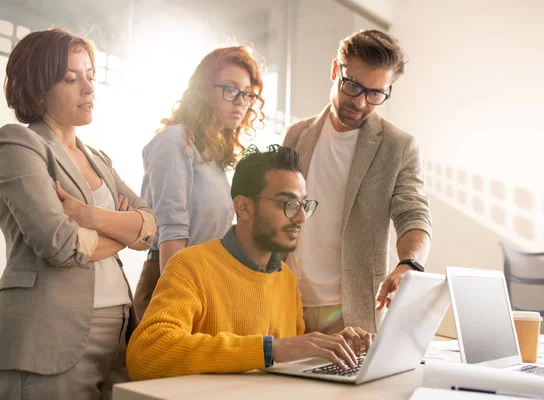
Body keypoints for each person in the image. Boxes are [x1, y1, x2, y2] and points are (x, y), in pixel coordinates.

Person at [0, 28, 157, 399]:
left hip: (119, 334)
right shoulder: (19, 142)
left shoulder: (100, 159)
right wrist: (122, 231)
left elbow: (150, 228)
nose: (89, 89)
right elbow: (59, 243)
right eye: (70, 78)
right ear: (37, 86)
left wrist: (87, 216)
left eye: (90, 77)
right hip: (48, 332)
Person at [126, 145, 373, 381]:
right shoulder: (191, 265)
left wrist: (328, 348)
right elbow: (146, 353)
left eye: (303, 205)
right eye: (287, 204)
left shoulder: (285, 277)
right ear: (244, 207)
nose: (300, 218)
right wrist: (267, 350)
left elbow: (286, 358)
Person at [283, 30, 432, 334]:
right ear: (336, 70)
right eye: (352, 86)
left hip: (351, 311)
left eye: (375, 94)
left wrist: (409, 263)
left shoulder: (398, 146)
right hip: (285, 302)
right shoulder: (296, 135)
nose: (361, 102)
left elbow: (413, 213)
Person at [134, 45, 266, 320]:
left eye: (247, 93)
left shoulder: (213, 156)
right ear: (205, 91)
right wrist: (178, 301)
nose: (241, 101)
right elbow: (172, 231)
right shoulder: (176, 140)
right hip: (171, 283)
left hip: (203, 283)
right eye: (230, 89)